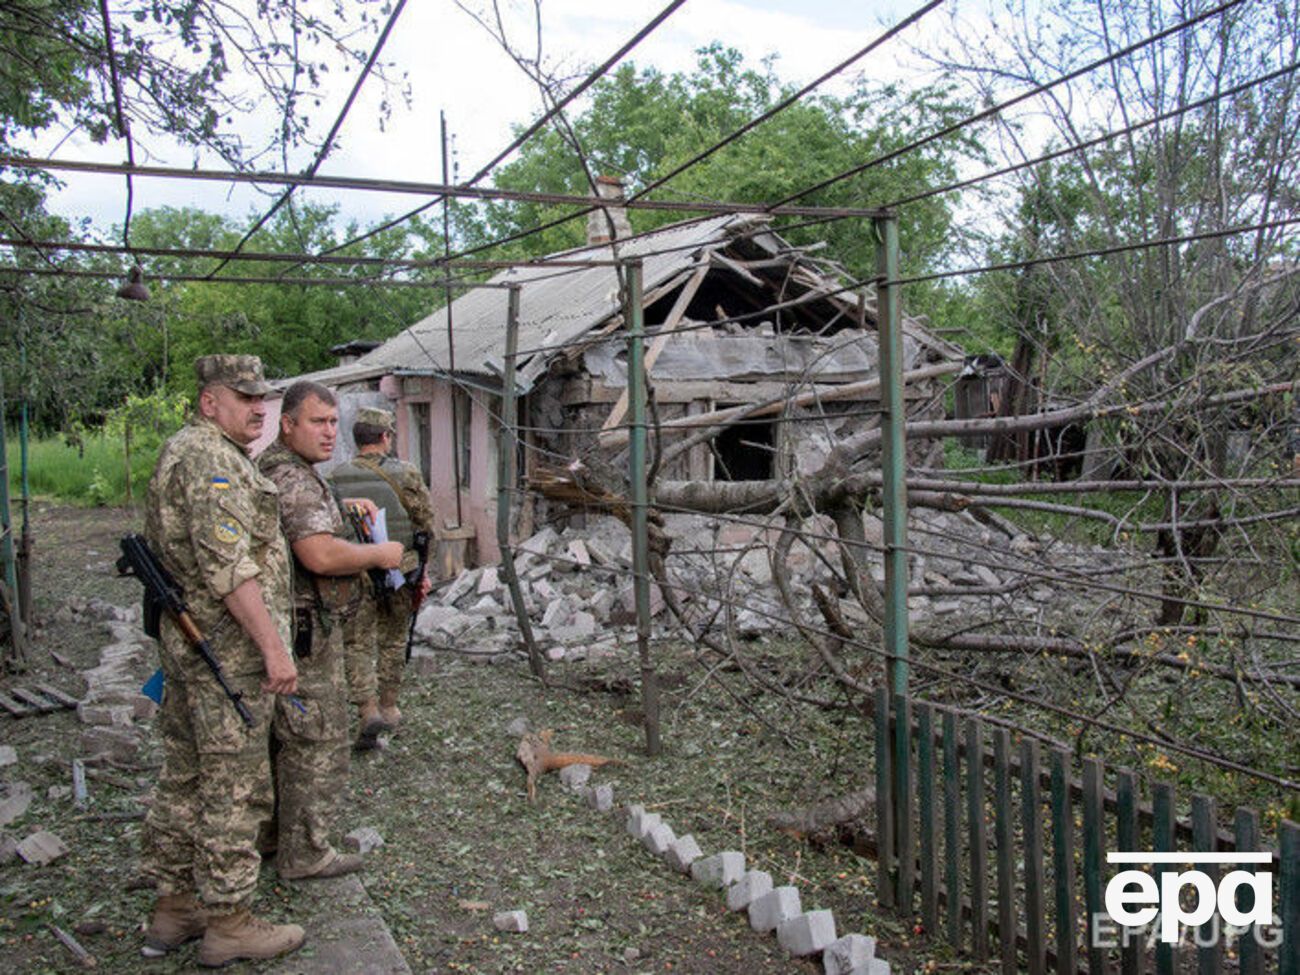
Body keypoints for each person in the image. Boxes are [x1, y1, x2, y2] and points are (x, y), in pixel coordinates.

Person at [140, 354, 305, 967]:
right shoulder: (211, 459)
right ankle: (230, 922)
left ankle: (175, 907)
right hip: (226, 658)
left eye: (262, 397)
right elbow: (230, 567)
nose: (259, 407)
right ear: (210, 401)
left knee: (183, 778)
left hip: (189, 651)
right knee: (236, 787)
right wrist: (273, 648)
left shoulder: (183, 449)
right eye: (244, 398)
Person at [256, 380, 402, 880]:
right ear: (288, 423)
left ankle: (277, 836)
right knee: (318, 741)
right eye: (316, 422)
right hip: (303, 632)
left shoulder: (291, 471)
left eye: (332, 422)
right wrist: (379, 554)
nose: (327, 432)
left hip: (296, 626)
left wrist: (347, 519)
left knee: (289, 736)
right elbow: (317, 554)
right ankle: (307, 852)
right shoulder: (292, 478)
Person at [330, 406, 435, 749]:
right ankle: (389, 707)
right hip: (399, 569)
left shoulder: (336, 476)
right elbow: (425, 522)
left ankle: (367, 709)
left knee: (356, 643)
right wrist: (423, 570)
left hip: (353, 570)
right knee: (392, 640)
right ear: (385, 437)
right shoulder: (406, 473)